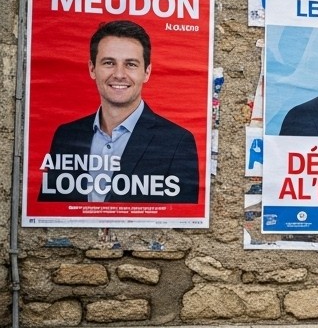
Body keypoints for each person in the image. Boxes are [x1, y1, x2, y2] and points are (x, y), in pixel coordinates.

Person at [38, 20, 200, 204]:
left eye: (130, 64)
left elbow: (182, 223)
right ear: (92, 69)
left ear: (147, 72)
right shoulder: (66, 136)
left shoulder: (177, 142)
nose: (119, 74)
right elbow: (48, 211)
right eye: (109, 63)